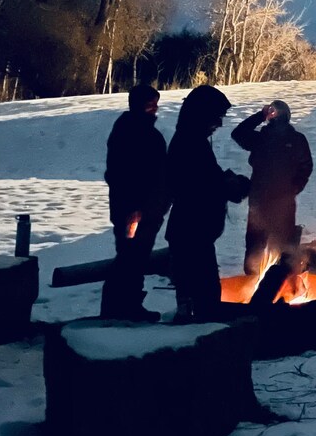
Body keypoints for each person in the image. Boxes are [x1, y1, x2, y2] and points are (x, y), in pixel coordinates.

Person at [165, 84, 250, 322]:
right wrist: (232, 186)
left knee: (196, 295)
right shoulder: (190, 143)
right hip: (192, 232)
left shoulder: (192, 140)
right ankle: (198, 336)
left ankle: (192, 325)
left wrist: (228, 181)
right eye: (217, 117)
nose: (219, 124)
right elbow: (200, 185)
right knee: (204, 299)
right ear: (202, 114)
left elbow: (206, 178)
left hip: (192, 232)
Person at [100, 84, 168, 322]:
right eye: (150, 104)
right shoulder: (130, 131)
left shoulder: (141, 130)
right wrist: (134, 209)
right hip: (133, 210)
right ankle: (122, 307)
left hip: (146, 209)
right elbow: (123, 175)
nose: (155, 108)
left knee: (135, 259)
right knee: (130, 258)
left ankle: (127, 305)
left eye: (156, 103)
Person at [232, 100, 313, 275]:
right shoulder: (261, 138)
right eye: (270, 111)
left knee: (285, 246)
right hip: (259, 201)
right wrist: (260, 116)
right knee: (255, 245)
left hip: (283, 202)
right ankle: (252, 281)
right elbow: (238, 134)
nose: (273, 113)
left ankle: (284, 282)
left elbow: (306, 166)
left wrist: (293, 189)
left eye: (275, 111)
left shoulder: (296, 140)